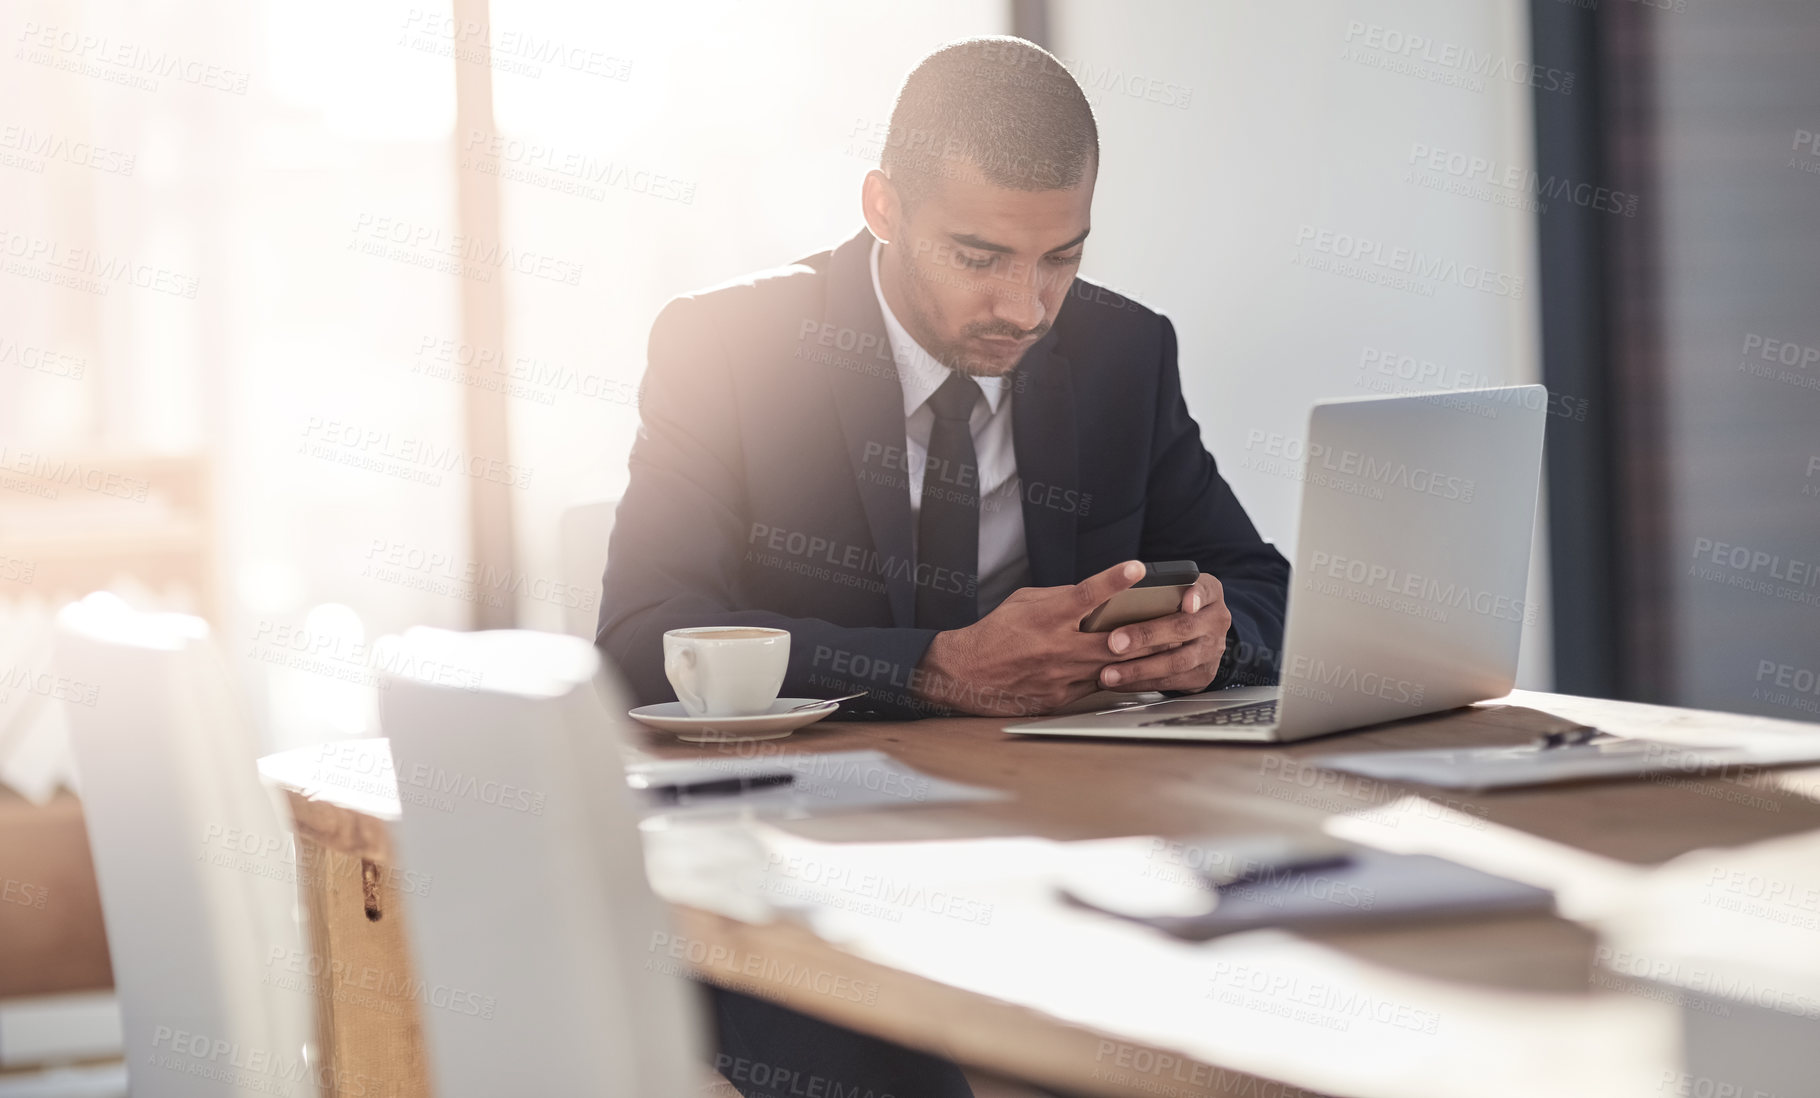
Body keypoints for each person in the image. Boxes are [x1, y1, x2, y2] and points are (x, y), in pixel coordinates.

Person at [599, 35, 1290, 1098]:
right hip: (800, 872)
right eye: (979, 257)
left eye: (1060, 257)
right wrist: (927, 668)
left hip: (1068, 848)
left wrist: (1211, 634)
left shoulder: (1123, 354)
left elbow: (1261, 583)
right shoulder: (728, 347)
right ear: (882, 207)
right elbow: (643, 635)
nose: (1026, 307)